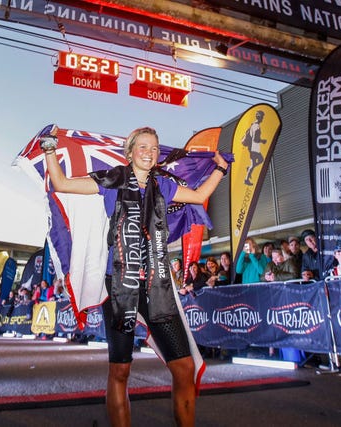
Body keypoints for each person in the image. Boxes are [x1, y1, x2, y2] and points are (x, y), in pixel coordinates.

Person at [42, 125, 228, 427]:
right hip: (119, 286)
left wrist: (220, 169)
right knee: (120, 370)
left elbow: (200, 194)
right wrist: (50, 149)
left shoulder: (163, 186)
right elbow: (61, 184)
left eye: (154, 148)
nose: (150, 152)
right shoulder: (112, 181)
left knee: (183, 367)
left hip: (156, 286)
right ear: (129, 153)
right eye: (142, 147)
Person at [242, 110, 267, 186]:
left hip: (253, 148)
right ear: (259, 117)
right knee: (255, 163)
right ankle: (246, 179)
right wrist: (262, 141)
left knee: (260, 160)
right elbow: (255, 139)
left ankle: (249, 169)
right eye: (262, 117)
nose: (263, 119)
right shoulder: (256, 126)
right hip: (254, 148)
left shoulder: (254, 125)